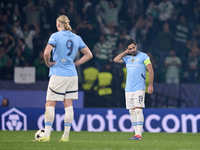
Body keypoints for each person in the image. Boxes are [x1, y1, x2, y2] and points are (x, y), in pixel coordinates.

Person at [34, 15, 93, 142]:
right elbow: (89, 55)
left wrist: (48, 63)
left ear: (58, 24)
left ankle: (46, 135)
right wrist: (75, 64)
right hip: (72, 75)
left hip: (58, 73)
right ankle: (65, 136)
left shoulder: (55, 36)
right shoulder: (77, 37)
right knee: (69, 104)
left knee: (50, 103)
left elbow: (46, 52)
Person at [113, 39, 154, 140]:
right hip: (128, 89)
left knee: (138, 111)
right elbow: (115, 59)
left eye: (133, 47)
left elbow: (150, 70)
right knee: (132, 112)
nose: (133, 50)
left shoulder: (144, 56)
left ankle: (139, 135)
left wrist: (150, 85)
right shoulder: (126, 58)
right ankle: (136, 134)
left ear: (136, 46)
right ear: (127, 49)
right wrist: (125, 53)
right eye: (130, 49)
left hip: (139, 88)